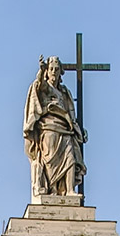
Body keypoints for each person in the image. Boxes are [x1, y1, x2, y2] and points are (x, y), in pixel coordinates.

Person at [23, 56, 85, 198]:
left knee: (70, 158)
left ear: (60, 72)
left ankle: (69, 190)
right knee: (50, 161)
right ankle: (52, 189)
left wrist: (77, 128)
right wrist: (41, 70)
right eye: (51, 69)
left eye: (56, 69)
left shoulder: (64, 92)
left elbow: (71, 111)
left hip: (66, 128)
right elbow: (38, 86)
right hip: (49, 127)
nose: (53, 72)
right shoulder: (45, 87)